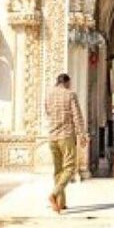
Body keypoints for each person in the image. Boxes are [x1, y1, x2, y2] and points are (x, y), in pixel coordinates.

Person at [44, 73, 87, 213]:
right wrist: (82, 135)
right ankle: (54, 194)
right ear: (67, 82)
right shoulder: (70, 95)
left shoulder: (48, 94)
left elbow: (47, 112)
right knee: (70, 168)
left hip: (52, 136)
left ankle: (60, 203)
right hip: (66, 136)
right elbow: (77, 115)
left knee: (58, 170)